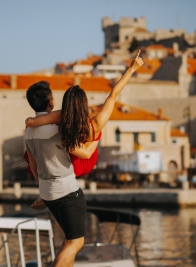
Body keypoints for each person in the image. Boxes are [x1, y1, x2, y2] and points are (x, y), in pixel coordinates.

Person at [26, 49, 144, 176]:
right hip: (88, 163)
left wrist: (29, 122)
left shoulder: (60, 116)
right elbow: (113, 95)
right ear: (85, 103)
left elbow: (33, 121)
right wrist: (131, 70)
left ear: (66, 104)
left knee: (33, 149)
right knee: (94, 135)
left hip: (71, 164)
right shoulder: (96, 123)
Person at [25, 80, 99, 267]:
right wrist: (97, 134)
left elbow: (33, 165)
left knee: (69, 239)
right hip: (66, 191)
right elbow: (86, 152)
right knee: (76, 242)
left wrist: (42, 190)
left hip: (48, 192)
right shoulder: (57, 130)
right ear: (51, 102)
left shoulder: (28, 131)